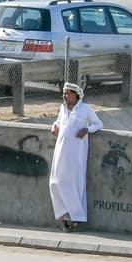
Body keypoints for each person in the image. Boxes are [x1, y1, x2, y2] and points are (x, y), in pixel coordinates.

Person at [48, 82, 101, 230]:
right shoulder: (62, 108)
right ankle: (64, 214)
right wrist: (55, 126)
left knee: (74, 182)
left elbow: (98, 124)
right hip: (61, 151)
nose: (65, 96)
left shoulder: (85, 109)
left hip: (76, 153)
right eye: (64, 93)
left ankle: (75, 216)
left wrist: (87, 130)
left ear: (76, 95)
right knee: (55, 181)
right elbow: (59, 121)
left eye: (68, 93)